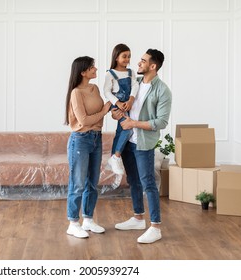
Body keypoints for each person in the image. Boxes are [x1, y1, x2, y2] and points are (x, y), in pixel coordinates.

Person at [112, 49, 172, 244]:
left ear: (153, 66)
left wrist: (134, 124)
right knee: (134, 180)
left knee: (148, 183)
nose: (138, 63)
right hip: (128, 140)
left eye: (143, 61)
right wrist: (117, 113)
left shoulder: (162, 90)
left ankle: (155, 227)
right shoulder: (135, 84)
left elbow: (161, 122)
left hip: (143, 143)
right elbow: (126, 107)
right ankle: (138, 218)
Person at [64, 56, 111, 239]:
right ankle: (73, 223)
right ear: (83, 72)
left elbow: (96, 118)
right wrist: (104, 112)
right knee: (78, 183)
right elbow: (83, 121)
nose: (96, 69)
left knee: (92, 182)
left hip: (96, 138)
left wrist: (107, 112)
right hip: (80, 140)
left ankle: (88, 219)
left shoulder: (95, 88)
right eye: (92, 67)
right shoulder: (76, 92)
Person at [104, 43, 139, 175]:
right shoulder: (110, 74)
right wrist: (117, 103)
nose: (127, 59)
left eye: (129, 57)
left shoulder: (131, 72)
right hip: (118, 104)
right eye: (124, 56)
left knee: (121, 130)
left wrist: (131, 99)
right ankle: (116, 156)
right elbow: (107, 92)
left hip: (129, 104)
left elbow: (135, 86)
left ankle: (113, 157)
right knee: (127, 128)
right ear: (116, 57)